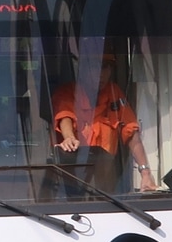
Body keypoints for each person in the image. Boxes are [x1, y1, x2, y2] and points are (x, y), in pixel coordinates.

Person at [52, 53, 156, 193]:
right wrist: (69, 137)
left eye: (105, 67)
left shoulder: (114, 92)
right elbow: (65, 116)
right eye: (94, 67)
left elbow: (131, 131)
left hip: (106, 178)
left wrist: (145, 173)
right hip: (71, 178)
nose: (100, 73)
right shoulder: (67, 92)